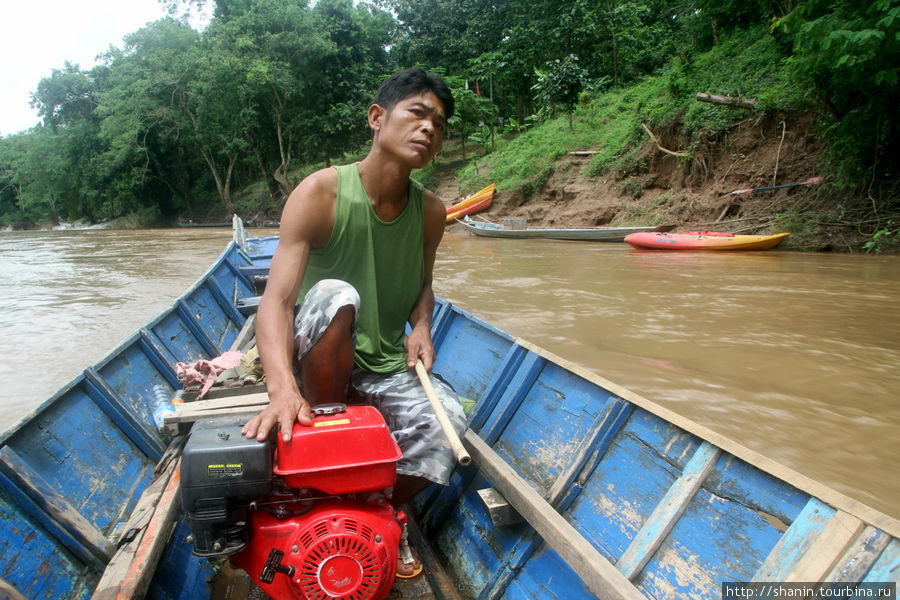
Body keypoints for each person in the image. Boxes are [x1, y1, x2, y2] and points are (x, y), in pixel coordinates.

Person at [240, 67, 467, 575]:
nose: (430, 129)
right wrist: (281, 388)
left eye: (441, 124)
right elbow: (275, 302)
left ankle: (370, 507)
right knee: (336, 294)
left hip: (384, 363)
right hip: (316, 360)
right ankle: (324, 435)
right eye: (418, 113)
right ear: (377, 117)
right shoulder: (320, 193)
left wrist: (424, 327)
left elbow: (423, 285)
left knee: (446, 427)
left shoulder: (431, 212)